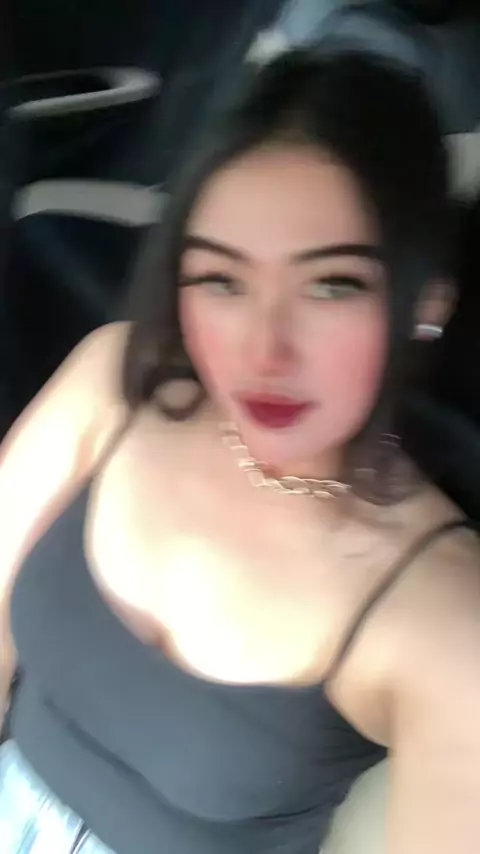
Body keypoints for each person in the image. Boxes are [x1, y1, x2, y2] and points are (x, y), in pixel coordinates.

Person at [0, 48, 479, 854]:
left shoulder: (442, 614)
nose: (264, 350)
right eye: (221, 280)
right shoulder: (115, 382)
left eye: (331, 285)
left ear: (423, 304)